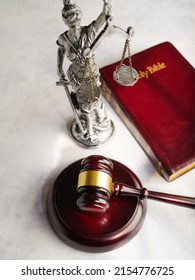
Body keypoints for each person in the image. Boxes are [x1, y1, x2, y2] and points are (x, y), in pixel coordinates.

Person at [56, 0, 114, 146]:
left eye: (74, 14)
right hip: (75, 76)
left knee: (95, 100)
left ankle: (100, 121)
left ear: (80, 15)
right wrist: (59, 69)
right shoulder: (64, 38)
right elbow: (61, 50)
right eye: (67, 16)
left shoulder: (88, 32)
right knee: (83, 103)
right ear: (64, 19)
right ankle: (90, 125)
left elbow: (102, 18)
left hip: (91, 73)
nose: (71, 18)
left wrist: (106, 7)